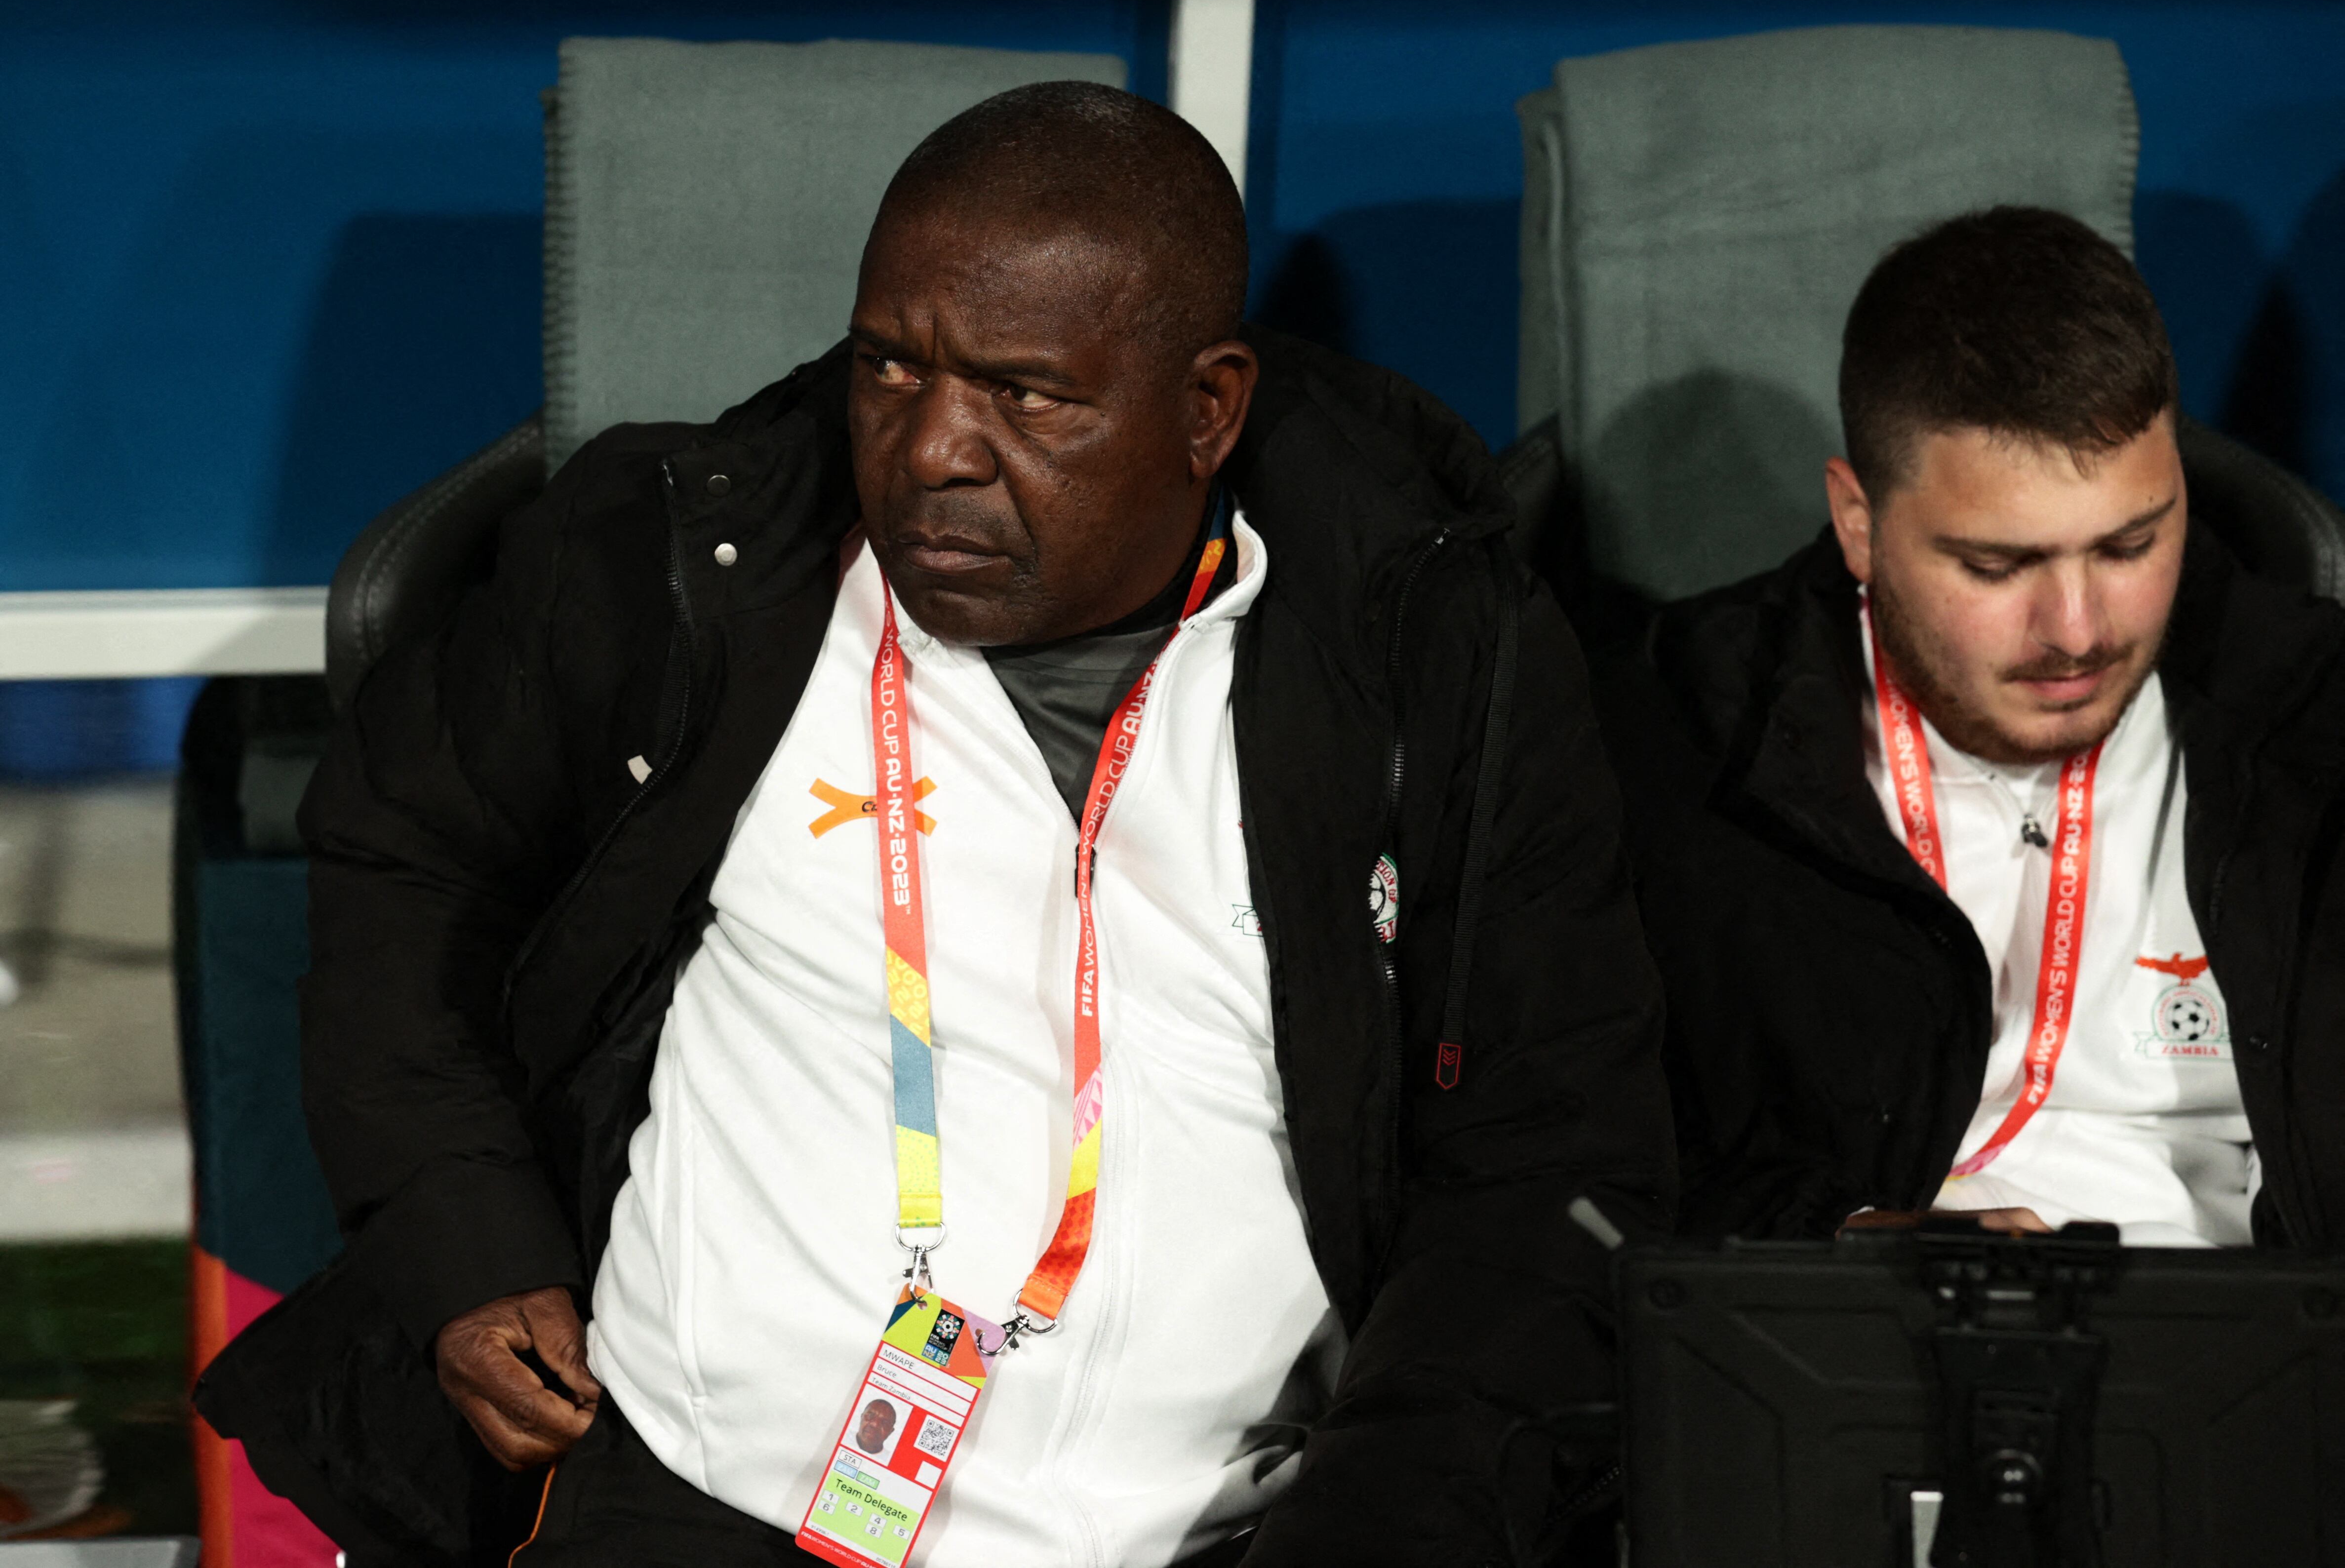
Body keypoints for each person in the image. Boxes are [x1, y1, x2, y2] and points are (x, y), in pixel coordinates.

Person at [196, 82, 1673, 1568]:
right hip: (698, 1492)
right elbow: (407, 861)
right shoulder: (684, 566)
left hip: (1239, 1529)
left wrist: (1382, 1524)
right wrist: (463, 1235)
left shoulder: (1430, 654)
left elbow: (1549, 1140)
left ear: (1205, 410)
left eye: (1023, 394)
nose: (929, 452)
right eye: (888, 367)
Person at [1593, 205, 2345, 1247]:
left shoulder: (2314, 721)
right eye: (1996, 568)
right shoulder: (1661, 737)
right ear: (1858, 525)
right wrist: (1837, 1247)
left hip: (2257, 1355)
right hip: (1844, 1351)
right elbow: (1573, 1154)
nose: (2076, 631)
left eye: (2129, 546)